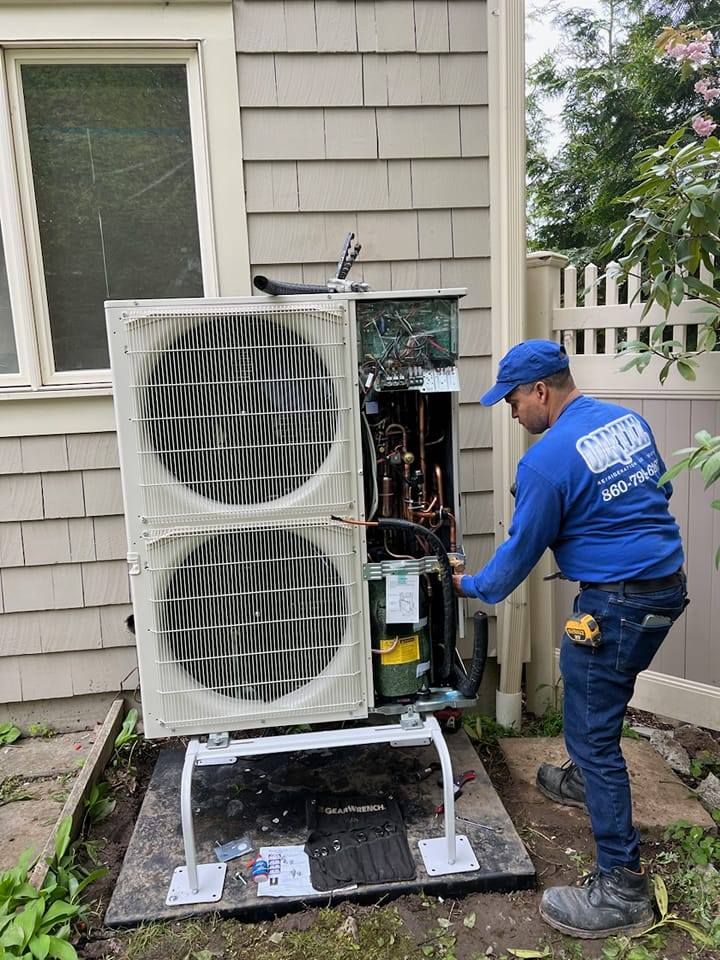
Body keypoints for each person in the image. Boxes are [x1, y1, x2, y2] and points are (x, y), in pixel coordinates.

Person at [453, 339, 687, 940]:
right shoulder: (626, 422)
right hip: (665, 590)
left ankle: (622, 888)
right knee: (603, 702)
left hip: (616, 605)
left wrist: (466, 584)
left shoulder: (545, 462)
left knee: (591, 730)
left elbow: (513, 564)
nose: (511, 413)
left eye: (512, 401)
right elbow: (659, 493)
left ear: (540, 391)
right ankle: (586, 779)